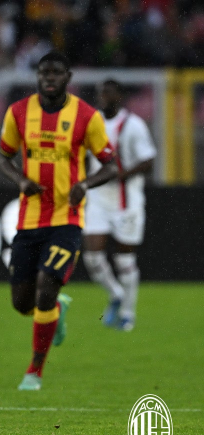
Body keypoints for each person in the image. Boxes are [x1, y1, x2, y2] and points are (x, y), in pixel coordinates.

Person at [0, 51, 117, 391]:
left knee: (47, 285)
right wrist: (21, 180)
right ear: (37, 76)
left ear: (68, 77)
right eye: (43, 72)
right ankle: (56, 310)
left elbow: (110, 165)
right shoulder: (19, 112)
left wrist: (85, 185)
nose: (49, 78)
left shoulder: (86, 116)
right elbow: (4, 157)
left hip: (67, 218)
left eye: (55, 72)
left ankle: (34, 371)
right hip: (29, 219)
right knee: (23, 303)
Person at [82, 80, 156, 332]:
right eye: (101, 93)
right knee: (92, 257)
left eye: (109, 94)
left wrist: (124, 174)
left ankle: (127, 313)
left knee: (125, 259)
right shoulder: (91, 123)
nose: (104, 98)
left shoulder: (133, 125)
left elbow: (148, 160)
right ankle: (116, 293)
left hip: (127, 202)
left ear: (119, 97)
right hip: (98, 199)